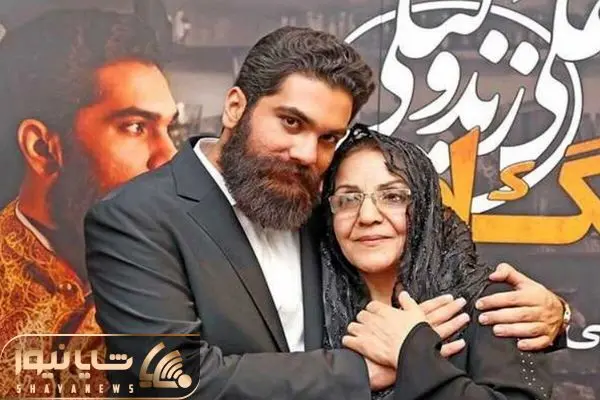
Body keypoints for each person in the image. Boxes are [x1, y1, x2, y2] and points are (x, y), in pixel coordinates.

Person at [84, 26, 567, 399]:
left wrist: (554, 314)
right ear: (235, 107)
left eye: (328, 137)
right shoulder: (135, 216)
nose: (305, 152)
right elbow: (167, 378)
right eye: (291, 122)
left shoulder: (327, 197)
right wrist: (366, 368)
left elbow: (426, 230)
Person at [0, 9, 177, 396]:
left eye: (170, 129)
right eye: (136, 127)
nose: (169, 157)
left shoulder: (185, 275)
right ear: (43, 148)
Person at [320, 123, 552, 399]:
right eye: (348, 199)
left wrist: (412, 354)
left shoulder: (489, 303)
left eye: (393, 197)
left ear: (424, 207)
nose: (367, 216)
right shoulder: (310, 298)